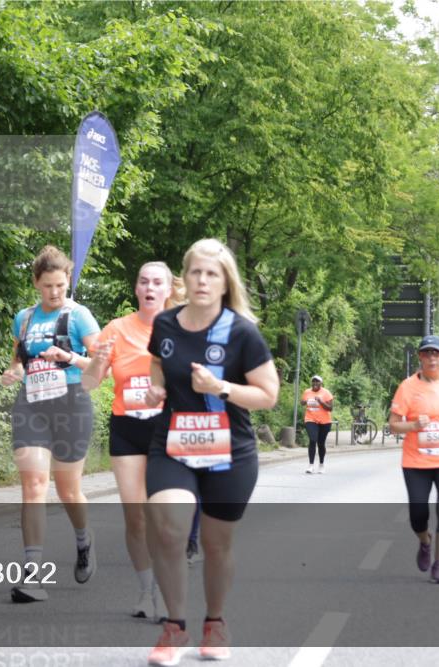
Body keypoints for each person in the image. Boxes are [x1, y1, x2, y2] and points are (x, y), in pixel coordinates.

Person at [143, 239, 279, 665]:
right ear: (185, 278)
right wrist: (157, 387)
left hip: (230, 451)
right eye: (197, 272)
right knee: (169, 528)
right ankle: (174, 626)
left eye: (212, 274)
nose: (203, 281)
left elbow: (268, 395)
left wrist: (221, 387)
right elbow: (156, 363)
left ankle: (215, 623)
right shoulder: (165, 324)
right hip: (174, 443)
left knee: (218, 546)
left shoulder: (241, 332)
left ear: (225, 283)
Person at [83, 261, 183, 619]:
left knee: (162, 516)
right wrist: (96, 361)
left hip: (168, 428)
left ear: (169, 288)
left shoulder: (183, 327)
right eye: (144, 281)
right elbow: (90, 384)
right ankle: (146, 592)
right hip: (127, 425)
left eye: (158, 282)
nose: (150, 287)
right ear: (137, 289)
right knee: (135, 517)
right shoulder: (116, 329)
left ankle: (170, 586)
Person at [1, 245, 100, 603]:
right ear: (36, 283)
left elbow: (101, 365)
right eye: (47, 286)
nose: (55, 292)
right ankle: (32, 574)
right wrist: (12, 373)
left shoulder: (79, 317)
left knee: (68, 489)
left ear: (68, 280)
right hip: (32, 404)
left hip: (71, 404)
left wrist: (69, 356)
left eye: (60, 285)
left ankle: (83, 538)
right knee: (33, 484)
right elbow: (18, 361)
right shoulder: (24, 318)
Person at [388, 335, 439, 585]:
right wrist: (413, 424)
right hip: (416, 461)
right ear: (420, 358)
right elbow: (393, 426)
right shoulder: (407, 387)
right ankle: (425, 542)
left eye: (437, 353)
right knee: (417, 515)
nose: (432, 358)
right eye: (427, 353)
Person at [302, 375, 334, 474]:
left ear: (321, 383)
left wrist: (320, 401)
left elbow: (330, 408)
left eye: (317, 382)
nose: (315, 383)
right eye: (313, 382)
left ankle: (321, 464)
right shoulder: (307, 392)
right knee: (312, 439)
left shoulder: (326, 393)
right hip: (310, 419)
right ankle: (310, 465)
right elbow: (302, 402)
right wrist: (305, 401)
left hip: (325, 421)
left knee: (321, 444)